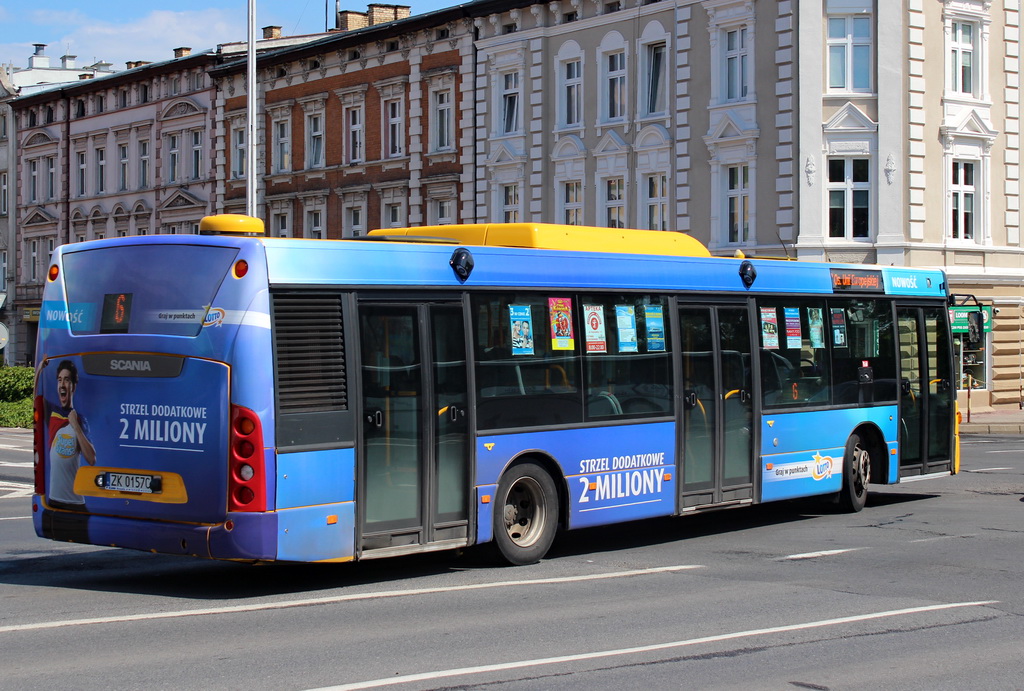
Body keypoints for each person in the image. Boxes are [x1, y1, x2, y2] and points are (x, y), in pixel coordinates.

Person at [46, 360, 96, 508]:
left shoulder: (80, 420)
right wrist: (39, 371)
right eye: (59, 380)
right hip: (53, 500)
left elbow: (91, 458)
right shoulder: (53, 414)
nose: (62, 385)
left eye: (67, 380)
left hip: (75, 503)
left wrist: (75, 426)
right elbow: (36, 398)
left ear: (73, 386)